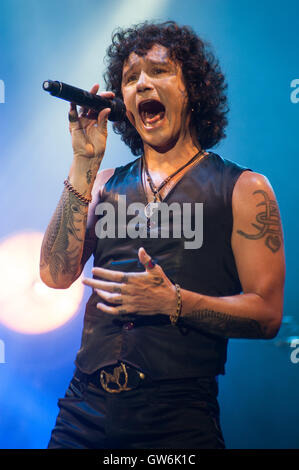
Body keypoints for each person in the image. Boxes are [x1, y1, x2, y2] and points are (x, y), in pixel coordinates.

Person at [40, 21, 285, 449]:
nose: (141, 84)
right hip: (84, 410)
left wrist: (173, 302)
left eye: (158, 71)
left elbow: (266, 315)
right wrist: (84, 161)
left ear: (193, 89)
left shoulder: (244, 188)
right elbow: (56, 275)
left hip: (177, 417)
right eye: (130, 78)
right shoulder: (104, 183)